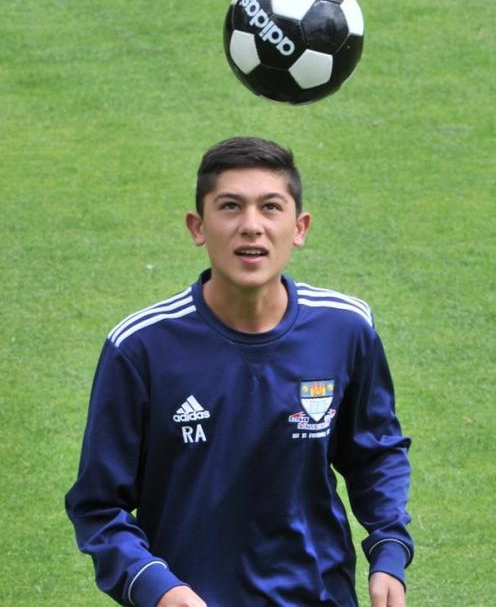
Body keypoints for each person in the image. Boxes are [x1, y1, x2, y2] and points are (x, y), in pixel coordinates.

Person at [66, 136, 413, 607]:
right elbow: (98, 504)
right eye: (230, 206)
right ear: (198, 227)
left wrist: (389, 548)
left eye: (271, 207)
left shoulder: (345, 328)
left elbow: (374, 452)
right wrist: (157, 587)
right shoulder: (140, 348)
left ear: (300, 227)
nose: (252, 226)